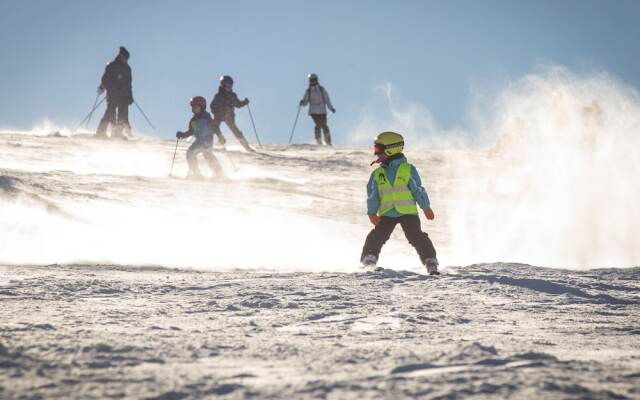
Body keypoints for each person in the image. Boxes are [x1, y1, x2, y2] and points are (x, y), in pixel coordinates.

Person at [360, 131, 439, 275]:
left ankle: (430, 260)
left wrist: (426, 207)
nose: (375, 153)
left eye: (378, 149)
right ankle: (369, 259)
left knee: (416, 236)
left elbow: (418, 190)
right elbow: (373, 195)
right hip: (387, 212)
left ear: (391, 148)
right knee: (377, 235)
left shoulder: (407, 169)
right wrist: (372, 212)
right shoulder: (378, 174)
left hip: (408, 212)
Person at [176, 96, 224, 180]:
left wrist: (220, 137)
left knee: (191, 153)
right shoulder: (193, 121)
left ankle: (199, 173)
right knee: (205, 154)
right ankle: (216, 172)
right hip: (199, 141)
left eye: (196, 107)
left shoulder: (206, 118)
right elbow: (191, 132)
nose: (194, 109)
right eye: (193, 107)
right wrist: (182, 135)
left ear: (202, 108)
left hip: (206, 141)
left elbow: (215, 127)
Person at [96, 46, 133, 140]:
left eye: (127, 59)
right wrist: (110, 88)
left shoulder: (127, 69)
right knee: (110, 112)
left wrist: (130, 95)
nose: (126, 60)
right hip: (113, 94)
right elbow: (105, 79)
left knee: (123, 114)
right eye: (125, 58)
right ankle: (101, 132)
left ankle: (117, 133)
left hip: (124, 96)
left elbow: (129, 84)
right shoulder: (112, 66)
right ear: (121, 56)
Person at [210, 75, 254, 152]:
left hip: (229, 116)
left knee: (236, 132)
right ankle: (207, 144)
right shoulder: (218, 96)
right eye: (227, 85)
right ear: (223, 85)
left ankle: (247, 147)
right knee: (214, 128)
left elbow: (237, 104)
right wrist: (216, 112)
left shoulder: (232, 95)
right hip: (219, 115)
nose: (229, 87)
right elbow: (212, 105)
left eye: (230, 85)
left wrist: (244, 102)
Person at [299, 73, 335, 146]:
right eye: (311, 80)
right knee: (319, 125)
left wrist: (331, 108)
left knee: (324, 126)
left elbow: (327, 99)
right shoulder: (308, 91)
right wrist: (303, 102)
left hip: (322, 111)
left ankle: (328, 141)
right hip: (314, 112)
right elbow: (306, 102)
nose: (313, 82)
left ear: (317, 80)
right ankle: (319, 141)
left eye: (314, 80)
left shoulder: (321, 89)